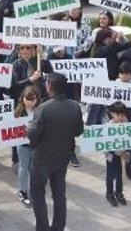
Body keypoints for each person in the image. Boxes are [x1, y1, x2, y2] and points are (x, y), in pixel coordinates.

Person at [27, 73, 83, 231]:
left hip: (42, 159)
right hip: (62, 158)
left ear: (49, 87)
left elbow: (32, 134)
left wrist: (28, 128)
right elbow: (79, 131)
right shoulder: (75, 106)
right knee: (59, 194)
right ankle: (58, 227)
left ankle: (42, 228)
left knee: (37, 194)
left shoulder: (43, 108)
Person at [15, 86, 40, 209]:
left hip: (36, 145)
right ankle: (22, 191)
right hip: (23, 145)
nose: (30, 102)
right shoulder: (19, 112)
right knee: (23, 168)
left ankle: (33, 191)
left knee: (34, 169)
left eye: (33, 99)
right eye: (28, 99)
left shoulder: (39, 110)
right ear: (23, 99)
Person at [104, 101, 130, 207]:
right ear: (112, 113)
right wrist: (119, 152)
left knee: (119, 174)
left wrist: (126, 151)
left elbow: (129, 138)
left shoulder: (125, 122)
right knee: (110, 175)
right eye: (118, 114)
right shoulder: (109, 126)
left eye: (122, 114)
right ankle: (109, 194)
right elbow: (106, 143)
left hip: (121, 153)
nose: (120, 117)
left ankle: (119, 193)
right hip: (111, 154)